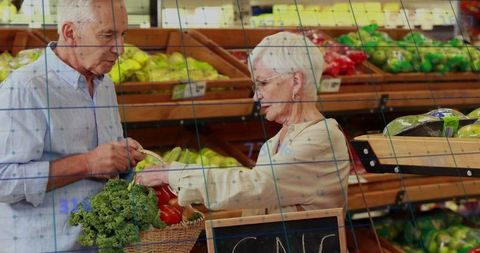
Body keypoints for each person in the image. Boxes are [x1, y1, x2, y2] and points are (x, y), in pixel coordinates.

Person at [136, 32, 350, 216]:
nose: (256, 96)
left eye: (264, 83)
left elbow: (257, 186)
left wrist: (174, 174)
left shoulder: (323, 140)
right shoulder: (275, 143)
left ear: (296, 81)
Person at [0, 0, 144, 252]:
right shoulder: (26, 87)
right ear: (70, 33)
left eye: (123, 35)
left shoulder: (104, 85)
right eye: (107, 35)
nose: (120, 49)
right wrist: (88, 163)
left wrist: (123, 158)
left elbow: (104, 167)